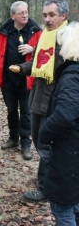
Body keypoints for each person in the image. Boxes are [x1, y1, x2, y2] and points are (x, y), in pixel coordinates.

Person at [10, 0, 69, 202]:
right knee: (39, 141)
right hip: (37, 97)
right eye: (44, 15)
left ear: (63, 16)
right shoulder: (46, 35)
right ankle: (46, 180)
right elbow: (38, 59)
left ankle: (47, 188)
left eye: (52, 15)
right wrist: (21, 68)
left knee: (47, 145)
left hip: (54, 101)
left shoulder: (68, 40)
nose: (47, 19)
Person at [0, 1, 41, 160]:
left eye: (26, 12)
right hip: (8, 81)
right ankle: (13, 138)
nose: (25, 15)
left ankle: (26, 144)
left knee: (26, 112)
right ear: (13, 16)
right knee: (11, 111)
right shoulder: (4, 31)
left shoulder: (36, 31)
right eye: (21, 13)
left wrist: (33, 49)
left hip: (27, 80)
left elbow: (47, 53)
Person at [38, 21, 79, 226]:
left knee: (62, 208)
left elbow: (65, 113)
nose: (60, 49)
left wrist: (44, 133)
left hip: (70, 153)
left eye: (62, 45)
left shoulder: (72, 74)